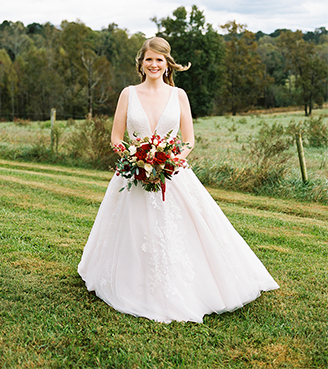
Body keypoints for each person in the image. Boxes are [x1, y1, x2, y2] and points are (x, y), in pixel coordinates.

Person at [77, 37, 279, 323]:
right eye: (149, 59)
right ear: (141, 63)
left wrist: (171, 160)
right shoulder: (128, 94)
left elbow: (189, 140)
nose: (154, 64)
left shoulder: (179, 95)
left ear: (167, 63)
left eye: (159, 59)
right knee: (134, 230)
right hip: (135, 174)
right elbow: (115, 137)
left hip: (172, 173)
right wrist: (136, 158)